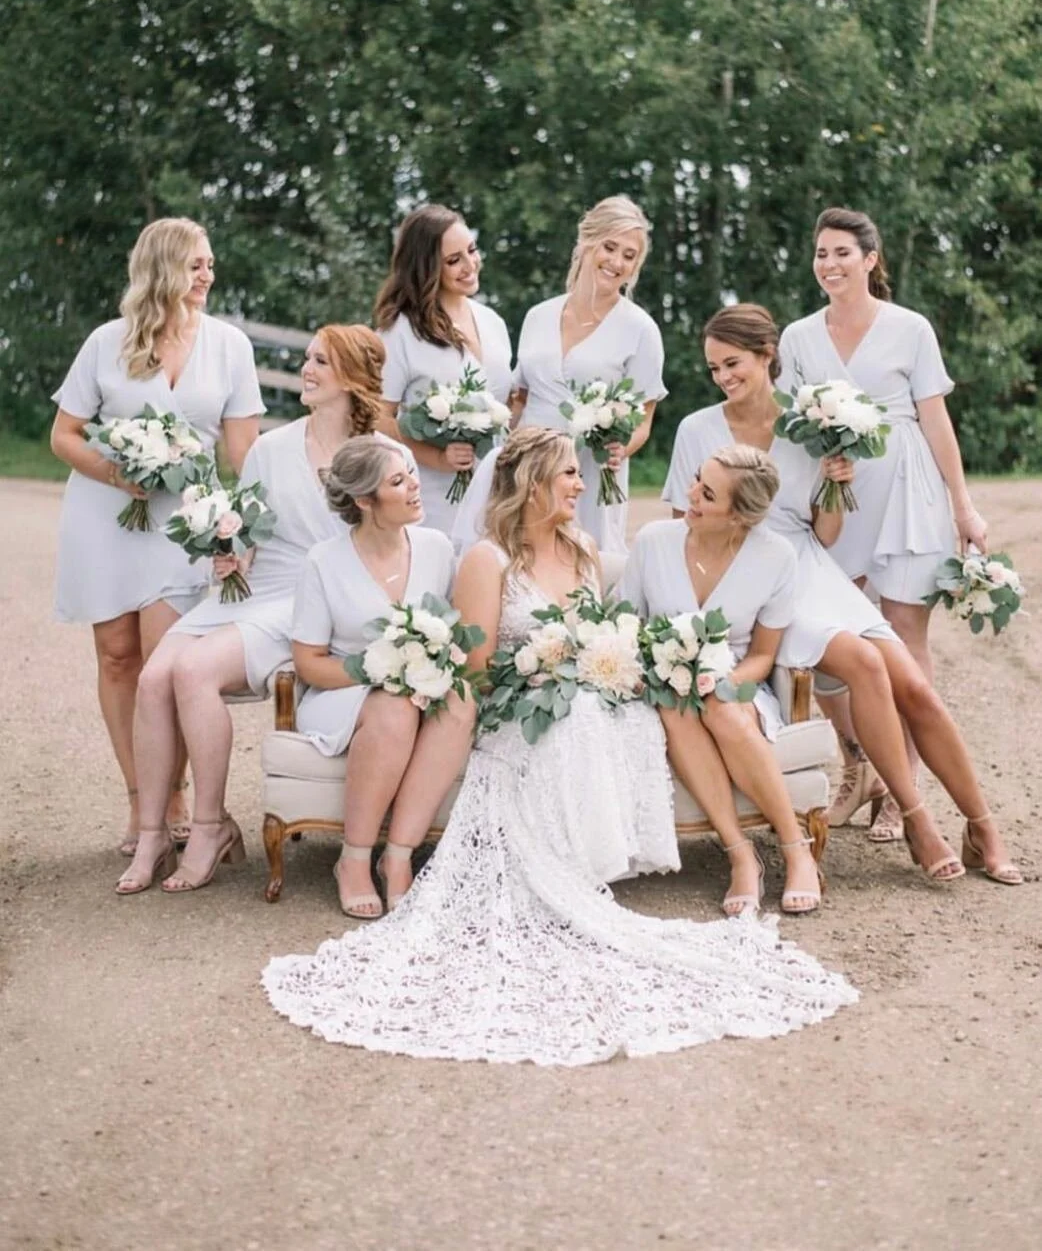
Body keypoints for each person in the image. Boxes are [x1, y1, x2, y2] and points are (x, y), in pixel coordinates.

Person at [262, 428, 857, 1067]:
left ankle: (596, 862)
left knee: (612, 714)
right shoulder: (486, 560)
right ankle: (500, 866)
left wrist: (599, 663)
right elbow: (478, 671)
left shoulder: (583, 548)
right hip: (518, 702)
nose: (581, 483)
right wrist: (542, 668)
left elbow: (603, 632)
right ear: (533, 484)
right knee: (573, 718)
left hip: (586, 690)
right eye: (569, 473)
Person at [662, 303, 1020, 886]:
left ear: (767, 356)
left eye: (732, 364)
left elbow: (825, 534)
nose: (723, 377)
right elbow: (687, 527)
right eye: (714, 368)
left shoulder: (808, 428)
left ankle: (983, 828)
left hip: (810, 565)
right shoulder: (696, 430)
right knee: (863, 663)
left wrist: (836, 485)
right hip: (748, 576)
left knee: (915, 688)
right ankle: (917, 818)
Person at [116, 325, 413, 894]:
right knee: (154, 678)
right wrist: (228, 555)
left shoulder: (386, 456)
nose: (306, 369)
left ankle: (209, 827)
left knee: (193, 671)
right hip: (256, 589)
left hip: (310, 599)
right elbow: (248, 535)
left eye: (320, 361)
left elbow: (395, 541)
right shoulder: (270, 450)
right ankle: (152, 834)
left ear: (351, 377)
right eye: (308, 358)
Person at [50, 217, 263, 859]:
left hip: (185, 523)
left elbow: (244, 453)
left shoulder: (229, 346)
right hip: (104, 515)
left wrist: (248, 522)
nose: (208, 275)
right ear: (163, 269)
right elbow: (64, 435)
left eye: (210, 264)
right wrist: (117, 473)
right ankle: (140, 800)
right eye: (196, 265)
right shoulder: (106, 343)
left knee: (165, 662)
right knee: (118, 656)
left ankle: (175, 799)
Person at [778, 206, 984, 840]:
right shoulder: (798, 338)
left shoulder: (910, 328)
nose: (830, 264)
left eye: (843, 252)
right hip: (836, 494)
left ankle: (903, 790)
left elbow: (935, 419)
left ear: (870, 260)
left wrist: (963, 505)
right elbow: (790, 425)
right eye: (821, 253)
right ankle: (858, 764)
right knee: (827, 636)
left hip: (906, 491)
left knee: (903, 637)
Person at [624, 446, 823, 916]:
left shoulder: (776, 556)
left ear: (739, 516)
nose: (690, 494)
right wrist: (651, 671)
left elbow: (763, 655)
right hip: (663, 685)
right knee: (675, 705)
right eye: (697, 479)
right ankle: (741, 855)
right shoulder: (653, 542)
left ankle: (797, 850)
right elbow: (626, 625)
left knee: (722, 709)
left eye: (708, 494)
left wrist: (722, 680)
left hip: (739, 680)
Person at [290, 435, 474, 917]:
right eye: (398, 481)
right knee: (394, 709)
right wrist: (378, 671)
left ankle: (398, 856)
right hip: (341, 692)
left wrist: (432, 666)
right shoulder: (323, 561)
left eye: (411, 474)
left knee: (461, 700)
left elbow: (454, 631)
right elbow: (308, 662)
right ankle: (353, 860)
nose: (415, 486)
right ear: (364, 501)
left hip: (419, 688)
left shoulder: (436, 548)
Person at [452, 195, 666, 556]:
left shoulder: (640, 329)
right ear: (585, 242)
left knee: (582, 561)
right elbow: (519, 399)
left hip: (589, 473)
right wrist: (486, 436)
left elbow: (644, 420)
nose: (617, 262)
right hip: (527, 468)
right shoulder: (538, 316)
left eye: (629, 256)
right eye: (609, 247)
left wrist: (620, 449)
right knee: (516, 558)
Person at [374, 204, 513, 536]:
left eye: (472, 250)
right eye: (453, 260)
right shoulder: (400, 332)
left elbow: (504, 403)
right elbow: (376, 418)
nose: (470, 265)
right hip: (432, 495)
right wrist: (437, 457)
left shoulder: (492, 322)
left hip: (494, 491)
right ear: (426, 268)